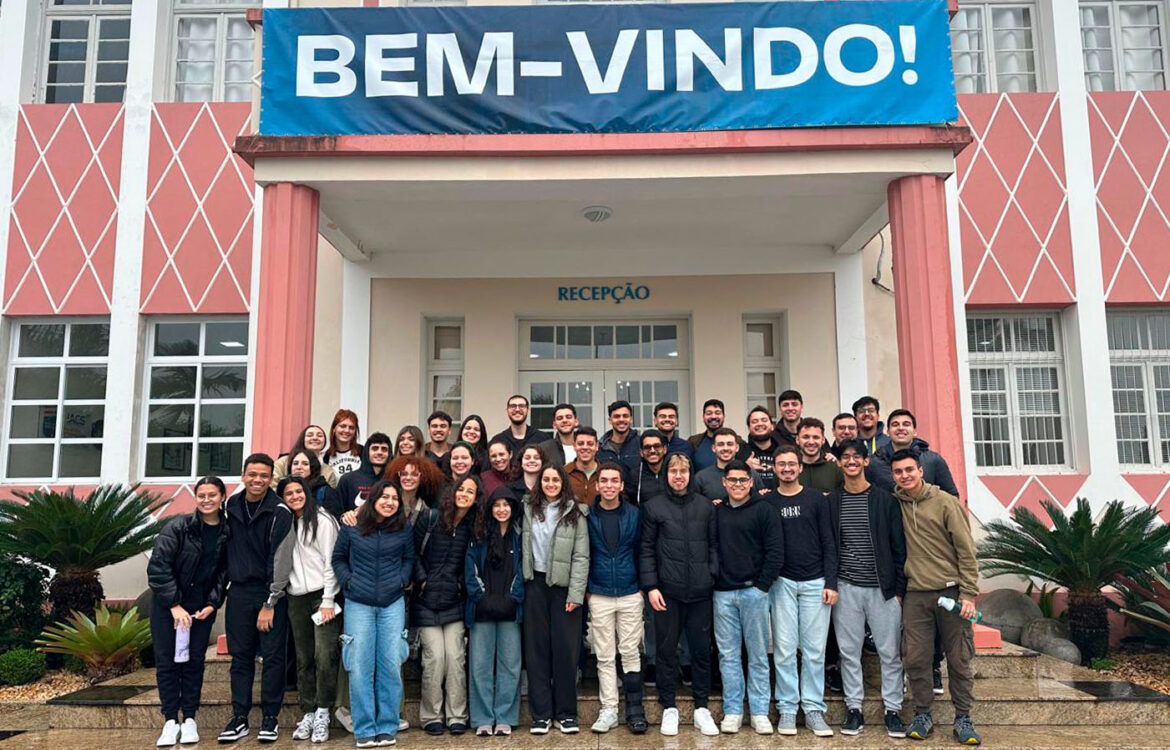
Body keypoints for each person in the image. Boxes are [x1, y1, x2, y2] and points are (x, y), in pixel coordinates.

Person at [890, 449, 981, 745]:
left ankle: (963, 717)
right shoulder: (895, 504)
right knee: (916, 658)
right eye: (898, 472)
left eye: (909, 470)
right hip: (916, 594)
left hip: (951, 592)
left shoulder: (945, 502)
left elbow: (966, 550)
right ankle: (922, 714)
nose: (904, 476)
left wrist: (968, 594)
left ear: (920, 471)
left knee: (959, 657)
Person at [828, 439, 908, 739]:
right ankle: (854, 709)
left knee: (889, 652)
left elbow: (899, 548)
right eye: (845, 457)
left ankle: (893, 710)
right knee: (849, 652)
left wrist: (898, 590)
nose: (851, 461)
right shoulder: (832, 501)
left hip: (882, 589)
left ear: (865, 461)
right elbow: (830, 547)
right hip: (846, 587)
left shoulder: (885, 500)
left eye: (856, 457)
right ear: (839, 463)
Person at [639, 453, 719, 737]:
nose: (678, 476)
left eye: (683, 471)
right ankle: (669, 706)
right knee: (666, 650)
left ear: (690, 474)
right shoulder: (653, 506)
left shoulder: (705, 506)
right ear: (666, 475)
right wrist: (651, 586)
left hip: (700, 591)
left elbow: (713, 545)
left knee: (700, 650)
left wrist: (711, 575)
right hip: (667, 592)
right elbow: (646, 549)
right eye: (673, 471)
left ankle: (701, 707)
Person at [332, 480, 414, 748]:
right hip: (358, 603)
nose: (389, 502)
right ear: (373, 499)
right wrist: (349, 581)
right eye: (384, 497)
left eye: (394, 498)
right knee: (359, 667)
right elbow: (338, 559)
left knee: (391, 665)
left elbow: (409, 559)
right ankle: (365, 728)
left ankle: (387, 726)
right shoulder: (352, 526)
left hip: (392, 603)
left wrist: (401, 580)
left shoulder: (403, 528)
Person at [218, 454, 294, 744]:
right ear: (243, 475)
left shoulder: (280, 511)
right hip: (238, 592)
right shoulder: (231, 506)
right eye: (252, 474)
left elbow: (281, 558)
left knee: (273, 658)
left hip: (269, 594)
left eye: (264, 475)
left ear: (271, 478)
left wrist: (270, 602)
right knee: (240, 657)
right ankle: (239, 717)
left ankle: (270, 718)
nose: (257, 480)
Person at [148, 476, 228, 747]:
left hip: (200, 610)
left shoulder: (227, 532)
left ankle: (190, 718)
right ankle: (170, 720)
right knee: (167, 663)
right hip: (168, 608)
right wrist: (174, 605)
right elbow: (158, 568)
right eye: (201, 495)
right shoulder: (178, 527)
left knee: (194, 663)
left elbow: (224, 574)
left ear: (222, 496)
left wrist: (212, 604)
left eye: (212, 495)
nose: (207, 500)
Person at [768, 444, 838, 738]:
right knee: (784, 649)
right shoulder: (768, 502)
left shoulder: (816, 500)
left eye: (791, 464)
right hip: (781, 582)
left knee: (814, 650)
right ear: (774, 469)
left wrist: (831, 582)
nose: (786, 469)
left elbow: (829, 542)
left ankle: (812, 708)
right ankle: (787, 707)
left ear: (799, 468)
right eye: (781, 464)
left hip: (815, 582)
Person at [712, 460, 784, 736]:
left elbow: (775, 551)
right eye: (732, 480)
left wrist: (762, 586)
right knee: (728, 655)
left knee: (758, 655)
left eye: (743, 480)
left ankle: (759, 711)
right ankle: (733, 711)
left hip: (754, 592)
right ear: (724, 482)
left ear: (751, 482)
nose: (738, 485)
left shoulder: (764, 510)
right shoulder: (717, 512)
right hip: (723, 593)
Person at [522, 464, 590, 735]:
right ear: (539, 482)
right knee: (536, 650)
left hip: (564, 588)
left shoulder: (575, 512)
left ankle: (566, 713)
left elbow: (582, 556)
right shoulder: (527, 508)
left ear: (563, 483)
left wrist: (576, 593)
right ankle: (541, 715)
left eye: (555, 480)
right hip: (534, 584)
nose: (550, 484)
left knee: (565, 650)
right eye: (546, 479)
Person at [413, 476, 478, 736]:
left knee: (455, 658)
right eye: (461, 489)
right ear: (453, 492)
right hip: (426, 601)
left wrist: (460, 584)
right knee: (434, 659)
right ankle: (431, 715)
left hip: (455, 601)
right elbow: (412, 552)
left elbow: (473, 560)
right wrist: (422, 580)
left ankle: (457, 715)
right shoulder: (430, 518)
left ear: (476, 498)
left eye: (471, 492)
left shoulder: (473, 526)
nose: (465, 494)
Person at [585, 463, 648, 735]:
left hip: (630, 591)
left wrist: (643, 587)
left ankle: (635, 710)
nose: (609, 485)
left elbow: (643, 551)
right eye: (604, 481)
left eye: (614, 481)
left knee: (630, 652)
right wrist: (587, 590)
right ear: (597, 485)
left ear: (621, 486)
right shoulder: (587, 516)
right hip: (599, 593)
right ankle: (609, 709)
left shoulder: (634, 514)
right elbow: (583, 553)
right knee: (604, 655)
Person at [279, 476, 341, 745]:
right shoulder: (284, 522)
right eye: (288, 493)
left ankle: (324, 711)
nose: (295, 496)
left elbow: (332, 561)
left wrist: (328, 599)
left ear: (306, 492)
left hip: (322, 596)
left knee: (324, 655)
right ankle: (308, 711)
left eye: (298, 491)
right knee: (304, 658)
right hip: (296, 597)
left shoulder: (323, 520)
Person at [464, 493, 524, 737]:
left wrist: (514, 597)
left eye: (506, 505)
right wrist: (480, 597)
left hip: (510, 609)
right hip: (482, 610)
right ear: (490, 509)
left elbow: (524, 569)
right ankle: (482, 718)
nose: (501, 509)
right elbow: (470, 569)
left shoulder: (519, 535)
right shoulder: (479, 535)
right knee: (480, 666)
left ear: (513, 508)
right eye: (497, 505)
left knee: (510, 665)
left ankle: (505, 717)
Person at [871, 409, 959, 498]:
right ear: (888, 431)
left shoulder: (933, 460)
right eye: (895, 424)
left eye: (906, 424)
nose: (901, 428)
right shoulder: (875, 463)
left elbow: (951, 497)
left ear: (915, 431)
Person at [693, 427, 765, 502]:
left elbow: (761, 501)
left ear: (737, 448)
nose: (725, 448)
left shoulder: (751, 474)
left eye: (730, 444)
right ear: (713, 448)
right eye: (721, 444)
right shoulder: (701, 478)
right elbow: (696, 505)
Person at [336, 433, 394, 515]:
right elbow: (337, 512)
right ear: (367, 452)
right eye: (375, 448)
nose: (379, 452)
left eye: (384, 449)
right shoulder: (348, 479)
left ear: (389, 453)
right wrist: (344, 517)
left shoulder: (394, 479)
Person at [384, 454, 445, 528]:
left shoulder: (425, 510)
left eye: (415, 474)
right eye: (404, 474)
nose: (408, 478)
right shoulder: (388, 502)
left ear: (423, 478)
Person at [273, 425, 338, 488]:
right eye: (310, 435)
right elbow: (273, 486)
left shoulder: (328, 471)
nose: (315, 438)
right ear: (302, 439)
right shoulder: (282, 462)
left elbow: (330, 493)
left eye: (320, 435)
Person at [688, 399, 741, 471]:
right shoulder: (693, 442)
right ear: (703, 417)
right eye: (709, 413)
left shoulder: (738, 441)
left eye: (717, 413)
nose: (713, 416)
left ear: (724, 416)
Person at [288, 449, 341, 519]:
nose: (299, 467)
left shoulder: (325, 492)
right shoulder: (284, 491)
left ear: (313, 467)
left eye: (305, 464)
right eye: (295, 463)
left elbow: (334, 521)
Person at [797, 417, 844, 494]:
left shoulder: (835, 467)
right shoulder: (790, 467)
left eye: (816, 437)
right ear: (797, 440)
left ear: (823, 440)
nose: (811, 442)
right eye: (806, 437)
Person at [597, 399, 640, 476]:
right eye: (617, 416)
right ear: (610, 420)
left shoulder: (640, 444)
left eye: (625, 416)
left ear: (631, 419)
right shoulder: (600, 448)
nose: (621, 419)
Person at [744, 406, 780, 490]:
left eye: (764, 420)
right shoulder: (741, 452)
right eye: (754, 421)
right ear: (749, 428)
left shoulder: (782, 452)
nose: (760, 424)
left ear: (772, 426)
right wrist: (745, 467)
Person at [631, 430, 669, 505]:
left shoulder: (673, 472)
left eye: (657, 446)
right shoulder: (634, 476)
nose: (652, 451)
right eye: (647, 447)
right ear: (641, 452)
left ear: (664, 449)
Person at [565, 426, 601, 503]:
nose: (585, 447)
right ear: (574, 446)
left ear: (597, 446)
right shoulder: (564, 472)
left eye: (590, 444)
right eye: (580, 444)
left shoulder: (605, 473)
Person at [537, 403, 579, 467]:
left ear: (576, 421)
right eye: (560, 418)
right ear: (554, 425)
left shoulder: (586, 447)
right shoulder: (543, 449)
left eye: (568, 417)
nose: (564, 420)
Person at [324, 409, 363, 478]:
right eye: (343, 426)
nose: (347, 430)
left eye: (351, 428)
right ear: (334, 429)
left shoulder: (363, 451)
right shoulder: (327, 456)